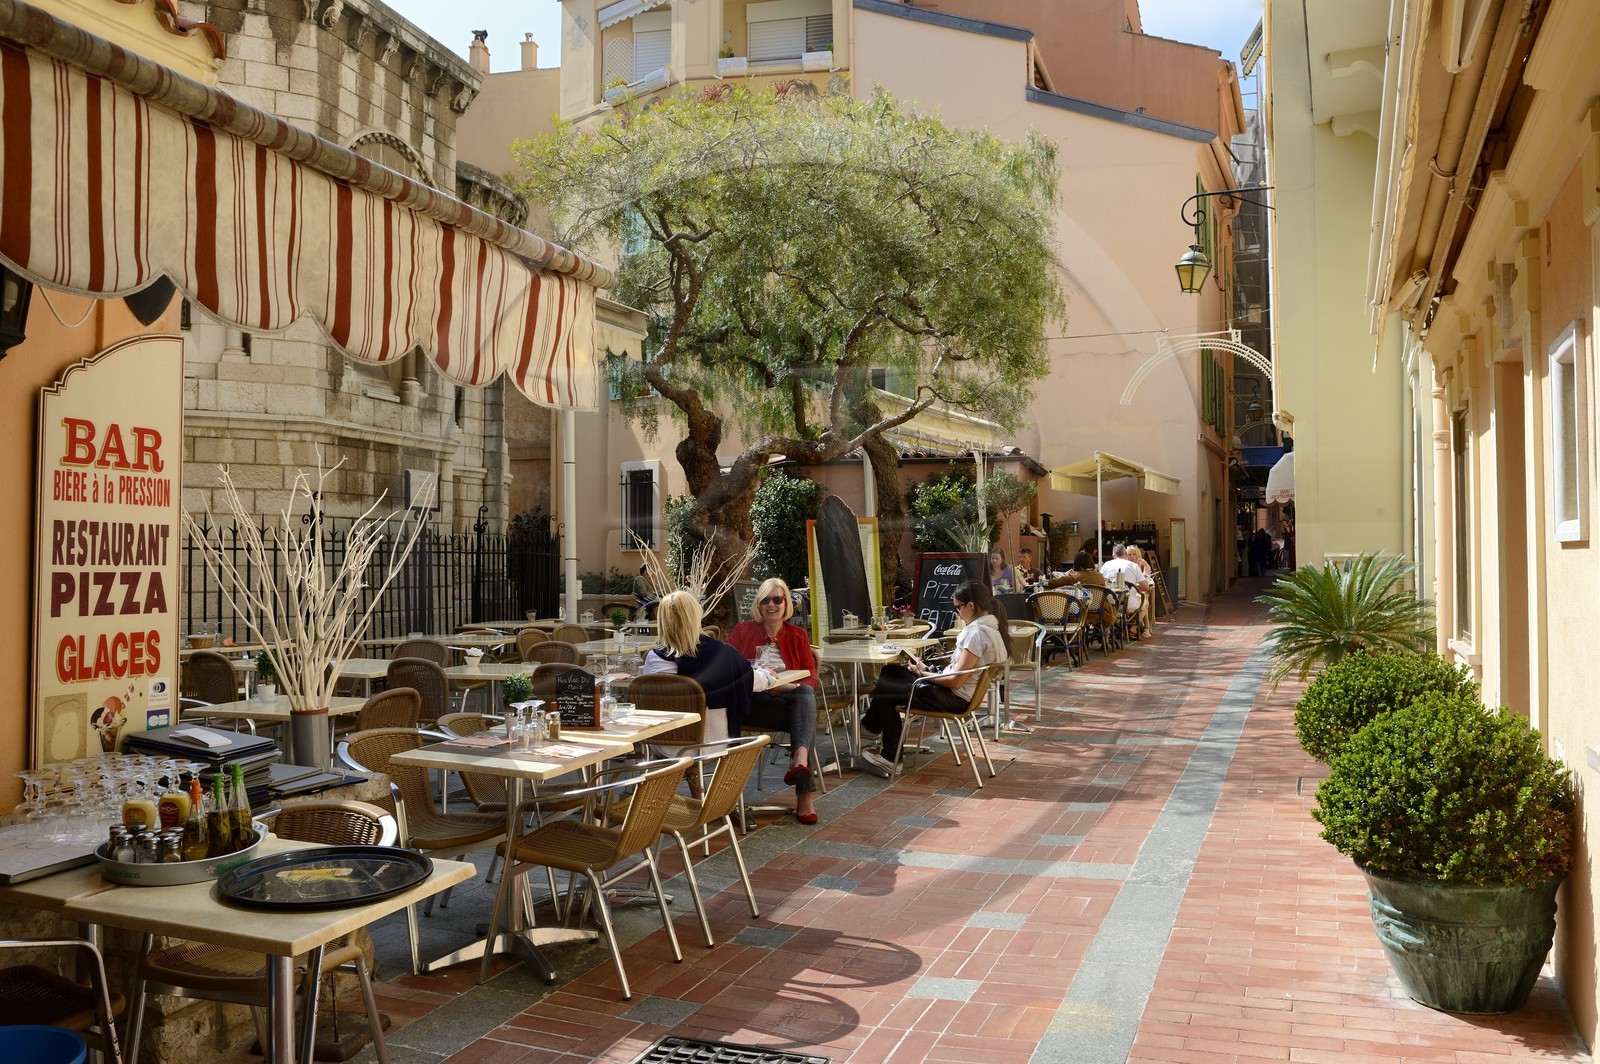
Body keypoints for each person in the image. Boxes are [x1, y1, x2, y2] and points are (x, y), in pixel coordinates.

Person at [859, 580, 1010, 776]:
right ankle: (871, 728)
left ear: (971, 606)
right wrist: (927, 669)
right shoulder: (993, 631)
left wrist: (923, 674)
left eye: (957, 607)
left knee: (887, 688)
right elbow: (959, 672)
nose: (956, 612)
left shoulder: (976, 634)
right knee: (891, 673)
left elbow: (956, 680)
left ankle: (887, 753)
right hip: (959, 695)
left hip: (953, 698)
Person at [728, 577, 820, 824]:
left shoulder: (797, 635)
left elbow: (812, 679)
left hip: (786, 702)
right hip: (752, 704)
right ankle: (804, 791)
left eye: (777, 599)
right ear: (758, 605)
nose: (772, 604)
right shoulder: (743, 631)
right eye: (766, 600)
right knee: (805, 714)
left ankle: (800, 760)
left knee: (805, 695)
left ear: (786, 604)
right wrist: (761, 682)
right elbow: (726, 668)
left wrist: (788, 686)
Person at [640, 590, 752, 742]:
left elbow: (645, 696)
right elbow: (749, 677)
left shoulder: (653, 658)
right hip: (710, 742)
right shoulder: (723, 653)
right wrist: (769, 676)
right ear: (696, 617)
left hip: (664, 741)